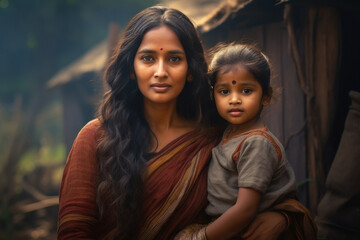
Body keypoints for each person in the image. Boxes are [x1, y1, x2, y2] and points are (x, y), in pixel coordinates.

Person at [57, 6, 316, 240]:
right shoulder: (95, 137)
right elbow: (74, 230)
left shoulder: (215, 138)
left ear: (191, 70)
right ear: (131, 68)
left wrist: (282, 219)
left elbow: (274, 196)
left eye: (174, 59)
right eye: (148, 58)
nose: (161, 71)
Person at [175, 43, 317, 240]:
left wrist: (201, 237)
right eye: (224, 92)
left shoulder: (256, 143)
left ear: (266, 96)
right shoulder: (226, 134)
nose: (234, 99)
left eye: (246, 91)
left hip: (246, 229)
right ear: (212, 94)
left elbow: (245, 209)